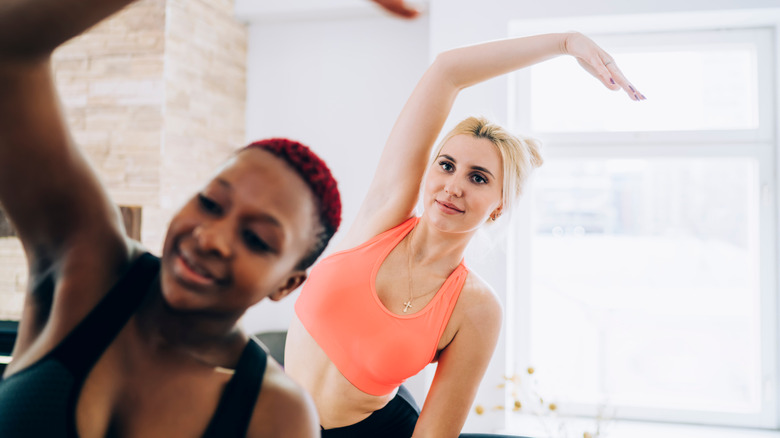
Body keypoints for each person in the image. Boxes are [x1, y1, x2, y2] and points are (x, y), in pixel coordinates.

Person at [0, 1, 345, 437]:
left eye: (256, 239)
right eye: (211, 203)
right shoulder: (88, 266)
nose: (212, 238)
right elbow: (9, 50)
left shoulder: (277, 414)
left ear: (288, 283)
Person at [284, 32, 644, 437]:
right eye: (446, 165)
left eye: (478, 177)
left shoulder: (476, 308)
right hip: (274, 417)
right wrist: (565, 43)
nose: (453, 186)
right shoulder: (383, 215)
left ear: (499, 205)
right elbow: (447, 72)